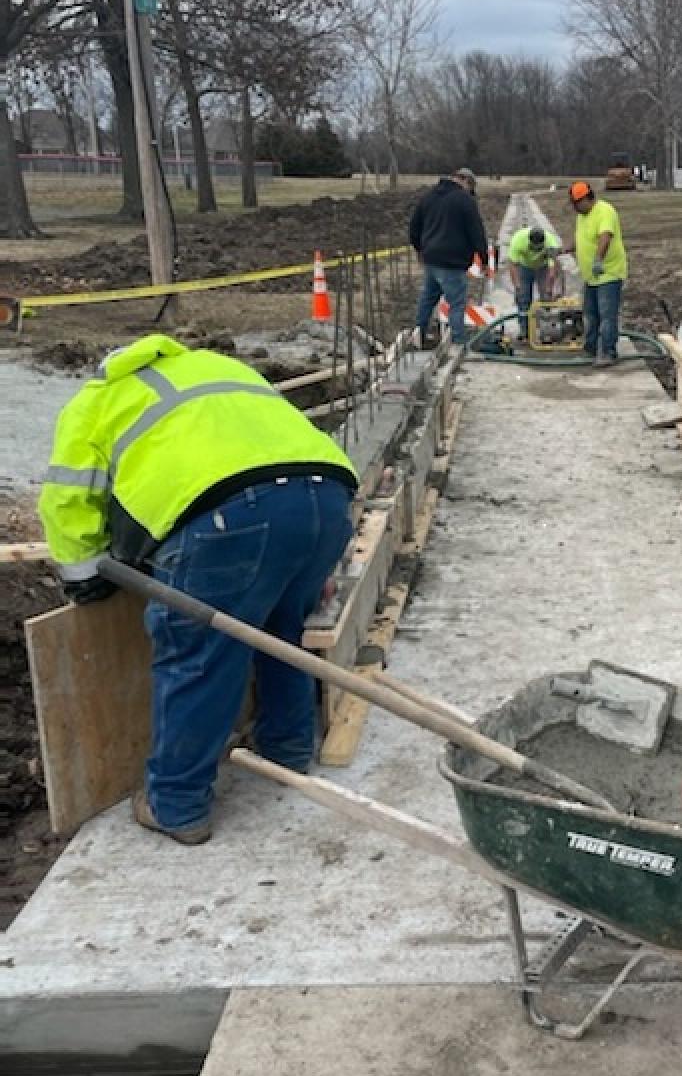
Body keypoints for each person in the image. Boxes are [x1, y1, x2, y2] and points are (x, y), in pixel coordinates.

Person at [38, 334, 358, 846]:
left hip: (230, 518)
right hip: (326, 499)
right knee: (280, 628)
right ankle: (285, 750)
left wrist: (83, 577)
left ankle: (177, 804)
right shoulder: (218, 369)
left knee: (197, 655)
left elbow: (70, 501)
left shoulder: (96, 402)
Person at [409, 166, 490, 346]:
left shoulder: (428, 197)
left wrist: (420, 249)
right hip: (453, 261)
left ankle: (418, 334)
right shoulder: (464, 200)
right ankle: (457, 342)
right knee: (457, 303)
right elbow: (476, 232)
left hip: (431, 258)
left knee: (428, 299)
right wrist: (484, 259)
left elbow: (414, 228)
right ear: (466, 182)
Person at [568, 180, 627, 365]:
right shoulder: (582, 216)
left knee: (606, 315)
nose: (575, 208)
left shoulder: (604, 211)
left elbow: (605, 237)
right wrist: (564, 249)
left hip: (608, 273)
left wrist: (598, 259)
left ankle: (608, 352)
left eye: (577, 203)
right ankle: (591, 349)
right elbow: (581, 239)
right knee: (590, 315)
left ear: (587, 198)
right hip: (591, 277)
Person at [506, 223, 563, 338]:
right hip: (524, 267)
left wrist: (549, 288)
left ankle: (547, 328)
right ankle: (524, 329)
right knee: (523, 298)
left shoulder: (551, 243)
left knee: (546, 298)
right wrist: (517, 286)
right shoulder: (518, 240)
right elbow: (512, 265)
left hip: (543, 267)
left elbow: (553, 269)